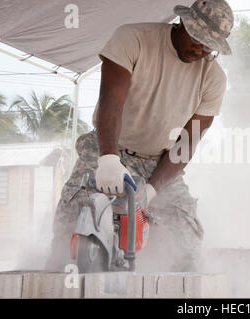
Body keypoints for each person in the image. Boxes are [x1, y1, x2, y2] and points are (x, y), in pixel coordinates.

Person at [46, 0, 234, 273]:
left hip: (158, 161)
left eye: (209, 45)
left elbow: (187, 142)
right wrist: (109, 159)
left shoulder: (213, 78)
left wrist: (152, 189)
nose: (199, 49)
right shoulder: (134, 39)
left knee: (187, 242)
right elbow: (112, 100)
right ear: (183, 23)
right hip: (106, 147)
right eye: (196, 38)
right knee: (71, 227)